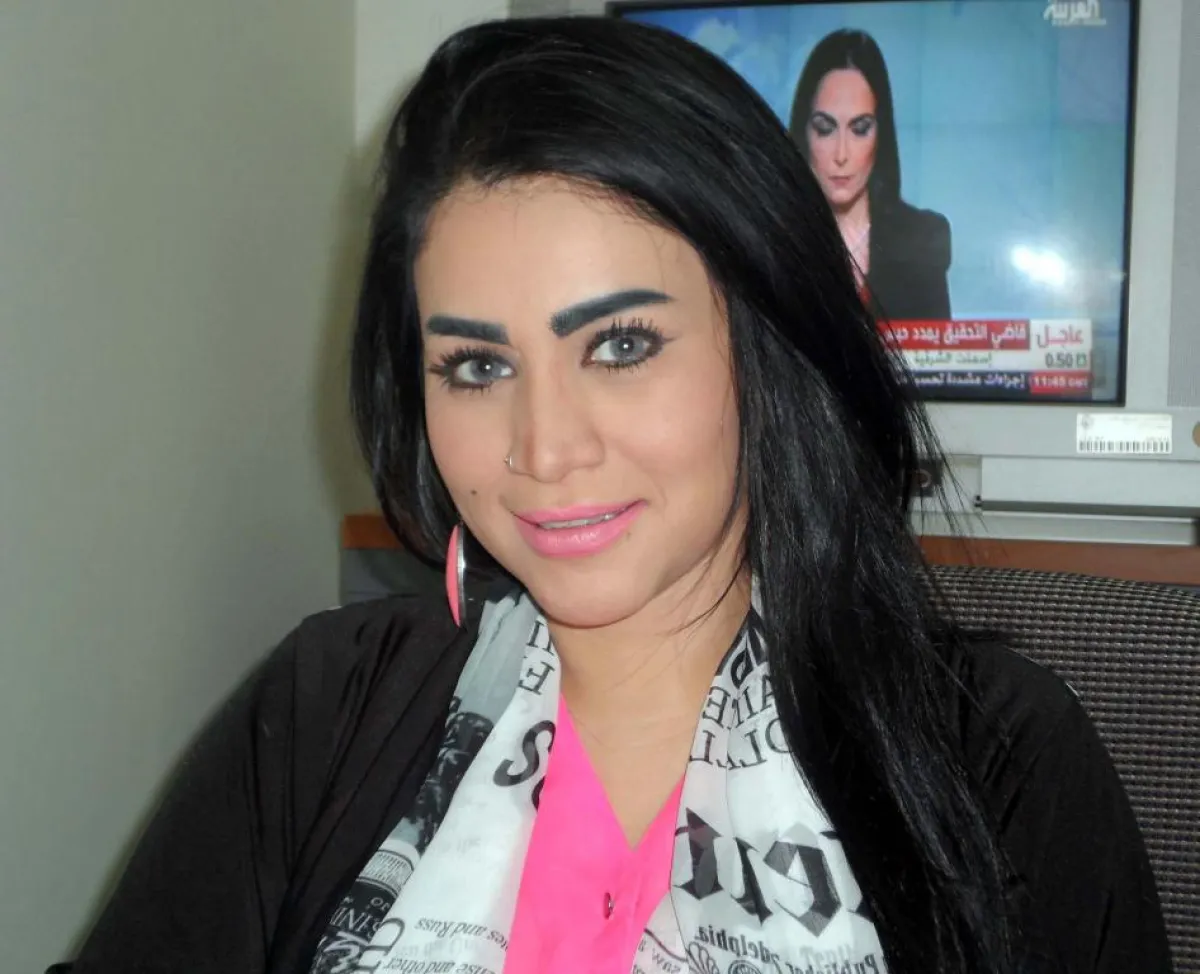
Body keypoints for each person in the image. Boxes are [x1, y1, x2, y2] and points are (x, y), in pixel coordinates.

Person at [51, 16, 1169, 974]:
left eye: (621, 345)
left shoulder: (998, 757)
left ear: (768, 347)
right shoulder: (321, 711)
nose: (544, 450)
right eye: (476, 366)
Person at [789, 29, 953, 321]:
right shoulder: (774, 238)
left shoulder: (922, 238)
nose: (841, 154)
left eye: (860, 129)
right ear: (804, 133)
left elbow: (935, 348)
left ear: (880, 135)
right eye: (825, 129)